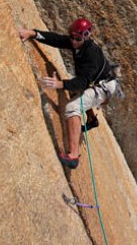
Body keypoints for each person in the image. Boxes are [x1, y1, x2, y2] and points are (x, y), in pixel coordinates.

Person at [19, 18, 121, 169]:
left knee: (72, 107)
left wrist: (59, 84)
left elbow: (83, 82)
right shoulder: (77, 42)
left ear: (86, 37)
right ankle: (92, 119)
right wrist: (33, 33)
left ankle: (73, 156)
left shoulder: (91, 54)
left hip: (104, 87)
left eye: (77, 38)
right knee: (74, 90)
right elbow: (56, 40)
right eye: (72, 37)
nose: (73, 41)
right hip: (100, 82)